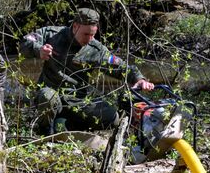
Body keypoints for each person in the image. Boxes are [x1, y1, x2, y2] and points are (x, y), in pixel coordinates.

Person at [20, 7, 154, 134]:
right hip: (51, 93)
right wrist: (39, 50)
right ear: (75, 26)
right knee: (47, 97)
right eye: (86, 34)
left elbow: (120, 67)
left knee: (112, 118)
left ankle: (65, 124)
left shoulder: (95, 49)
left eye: (93, 34)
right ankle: (45, 133)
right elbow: (25, 42)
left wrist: (139, 79)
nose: (89, 38)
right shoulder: (52, 34)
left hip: (77, 100)